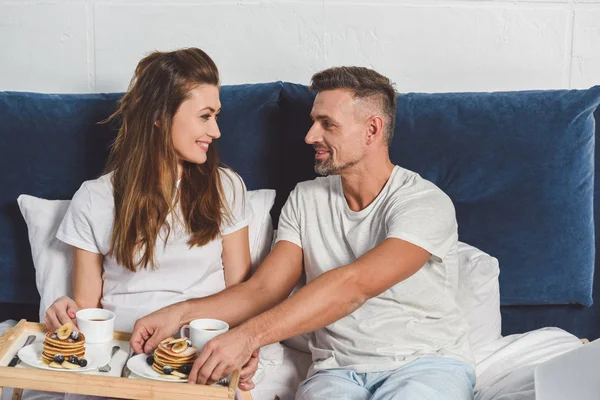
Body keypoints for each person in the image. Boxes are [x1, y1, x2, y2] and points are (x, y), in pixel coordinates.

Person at [130, 66, 475, 399]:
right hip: (336, 373)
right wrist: (179, 314)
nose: (310, 136)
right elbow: (264, 289)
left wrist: (249, 338)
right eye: (313, 121)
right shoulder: (306, 198)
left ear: (372, 130)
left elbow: (354, 286)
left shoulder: (423, 202)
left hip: (424, 366)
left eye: (327, 124)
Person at [43, 47, 258, 392]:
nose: (216, 131)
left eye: (217, 116)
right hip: (124, 359)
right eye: (205, 116)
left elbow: (244, 295)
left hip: (200, 357)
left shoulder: (226, 187)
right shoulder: (95, 198)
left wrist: (245, 343)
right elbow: (86, 308)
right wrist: (65, 312)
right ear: (160, 116)